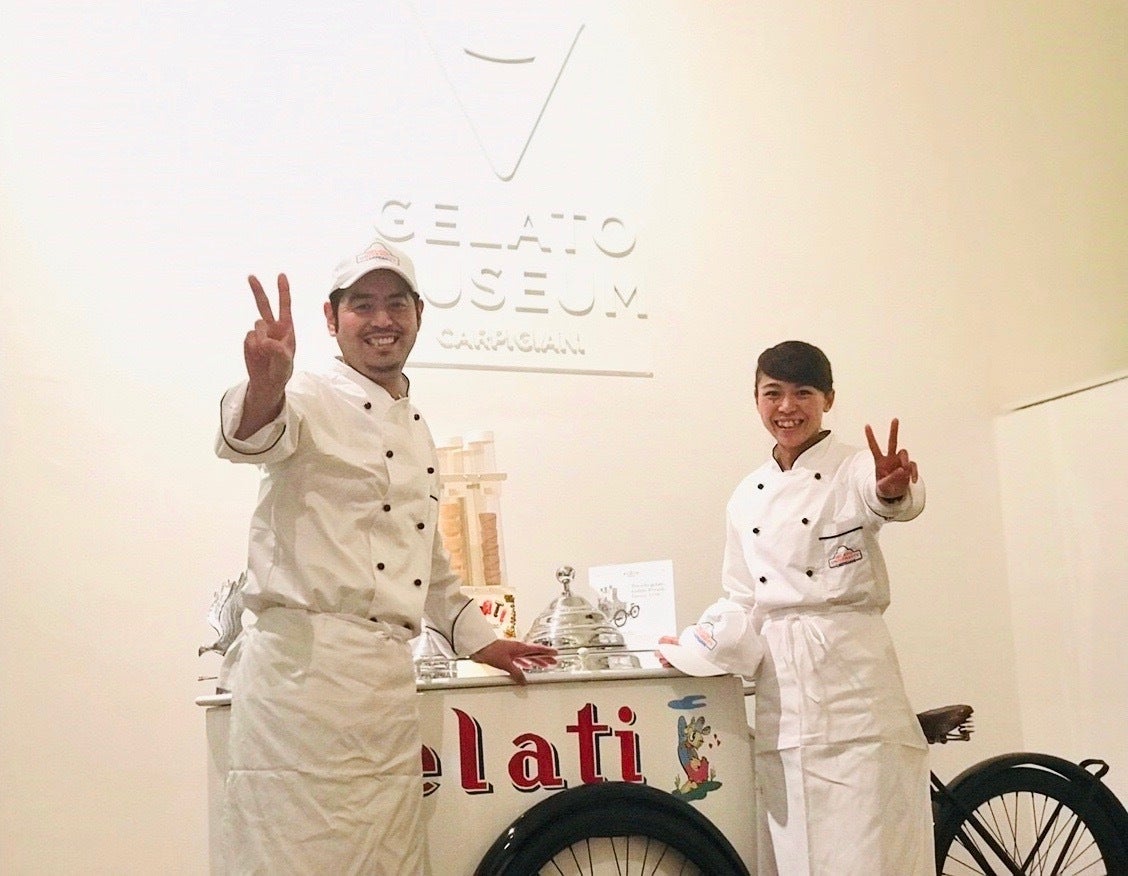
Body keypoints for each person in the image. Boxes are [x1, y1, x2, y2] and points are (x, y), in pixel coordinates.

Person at [215, 236, 556, 874]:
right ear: (331, 317)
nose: (382, 319)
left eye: (396, 303)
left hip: (385, 686)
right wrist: (264, 385)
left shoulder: (415, 423)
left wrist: (483, 640)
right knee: (292, 858)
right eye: (362, 304)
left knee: (387, 860)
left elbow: (428, 560)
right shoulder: (304, 393)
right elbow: (249, 435)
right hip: (301, 682)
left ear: (419, 314)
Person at [660, 340, 932, 875]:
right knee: (796, 856)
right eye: (773, 393)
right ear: (756, 400)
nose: (787, 407)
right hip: (782, 697)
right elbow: (742, 600)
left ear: (828, 398)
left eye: (803, 393)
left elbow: (890, 498)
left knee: (869, 851)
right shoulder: (745, 495)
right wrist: (691, 645)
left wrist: (892, 489)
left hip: (855, 688)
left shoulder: (856, 468)